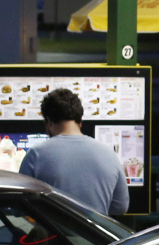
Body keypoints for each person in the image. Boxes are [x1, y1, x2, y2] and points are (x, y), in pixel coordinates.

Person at [18, 88, 129, 216]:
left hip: (53, 234)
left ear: (48, 121)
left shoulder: (36, 154)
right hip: (94, 235)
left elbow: (22, 204)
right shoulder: (109, 154)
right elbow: (120, 207)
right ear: (80, 121)